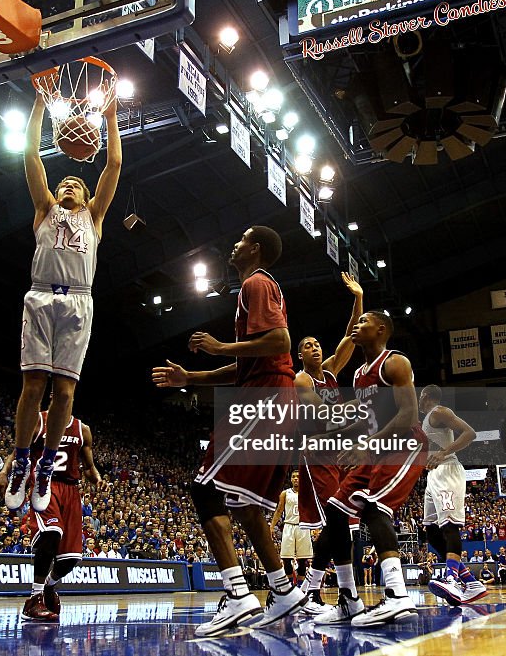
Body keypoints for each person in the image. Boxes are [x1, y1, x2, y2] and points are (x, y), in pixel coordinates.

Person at [151, 226, 307, 636]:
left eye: (240, 239)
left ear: (254, 249)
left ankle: (237, 595)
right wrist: (191, 376)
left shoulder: (256, 283)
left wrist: (220, 346)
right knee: (243, 504)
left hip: (266, 395)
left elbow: (279, 341)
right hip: (267, 391)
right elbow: (245, 364)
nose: (233, 245)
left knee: (205, 489)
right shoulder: (256, 288)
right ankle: (282, 589)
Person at [5, 92, 122, 514]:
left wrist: (110, 118)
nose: (66, 184)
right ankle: (21, 459)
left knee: (66, 392)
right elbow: (31, 154)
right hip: (40, 295)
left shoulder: (94, 217)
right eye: (62, 183)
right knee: (33, 386)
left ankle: (44, 465)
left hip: (78, 302)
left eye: (74, 183)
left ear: (87, 195)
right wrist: (38, 104)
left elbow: (113, 165)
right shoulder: (44, 209)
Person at [314, 311, 426, 627]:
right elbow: (364, 421)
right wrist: (327, 438)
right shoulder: (359, 374)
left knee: (374, 508)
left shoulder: (394, 363)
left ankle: (397, 594)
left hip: (404, 443)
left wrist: (368, 443)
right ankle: (349, 599)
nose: (356, 326)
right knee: (336, 512)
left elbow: (407, 414)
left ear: (380, 330)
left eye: (363, 322)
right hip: (376, 448)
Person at [292, 273, 362, 615]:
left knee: (340, 524)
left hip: (336, 454)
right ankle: (343, 592)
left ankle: (310, 589)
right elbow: (317, 406)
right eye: (307, 345)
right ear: (299, 355)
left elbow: (352, 334)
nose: (315, 347)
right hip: (315, 452)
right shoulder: (302, 378)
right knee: (337, 521)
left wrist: (358, 298)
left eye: (317, 343)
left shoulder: (332, 371)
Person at [0, 406, 101, 621]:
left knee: (71, 558)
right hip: (45, 483)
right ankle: (33, 600)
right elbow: (16, 451)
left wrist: (98, 480)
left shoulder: (83, 429)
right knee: (51, 533)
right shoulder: (39, 420)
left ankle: (48, 587)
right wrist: (4, 472)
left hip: (71, 490)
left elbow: (89, 467)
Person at [419, 384, 487, 605]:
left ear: (425, 396)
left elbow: (470, 433)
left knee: (449, 527)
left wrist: (444, 452)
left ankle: (452, 579)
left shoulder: (440, 411)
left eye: (419, 397)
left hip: (448, 470)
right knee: (431, 531)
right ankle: (470, 581)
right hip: (433, 477)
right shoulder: (426, 419)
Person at [270, 471, 312, 586]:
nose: (295, 479)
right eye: (293, 477)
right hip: (288, 525)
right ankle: (289, 586)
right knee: (286, 559)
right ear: (291, 479)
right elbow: (279, 510)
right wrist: (272, 526)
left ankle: (300, 587)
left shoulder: (308, 492)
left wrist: (316, 527)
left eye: (298, 476)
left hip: (303, 526)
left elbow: (312, 510)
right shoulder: (285, 493)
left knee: (302, 560)